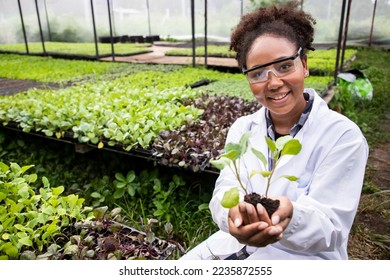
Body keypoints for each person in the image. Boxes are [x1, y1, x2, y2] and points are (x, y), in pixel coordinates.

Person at [181, 1, 368, 260]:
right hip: (237, 244)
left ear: (303, 64)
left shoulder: (343, 137)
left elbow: (332, 227)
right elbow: (224, 191)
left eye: (284, 66)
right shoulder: (243, 129)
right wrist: (231, 216)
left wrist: (291, 217)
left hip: (306, 258)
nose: (274, 83)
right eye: (258, 74)